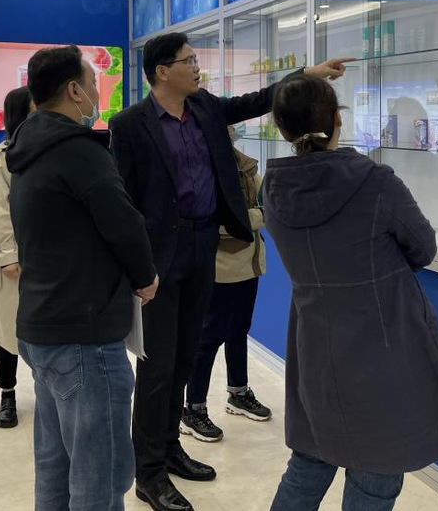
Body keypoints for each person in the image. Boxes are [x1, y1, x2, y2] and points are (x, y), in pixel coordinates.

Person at [109, 32, 347, 511]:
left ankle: (170, 448)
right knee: (157, 367)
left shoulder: (204, 107)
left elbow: (257, 100)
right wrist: (136, 267)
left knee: (185, 357)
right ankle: (148, 473)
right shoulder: (130, 124)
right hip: (160, 254)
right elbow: (123, 199)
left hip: (206, 245)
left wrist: (307, 75)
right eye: (188, 61)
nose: (197, 67)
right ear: (162, 71)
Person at [262, 75, 438, 511]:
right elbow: (423, 248)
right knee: (377, 472)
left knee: (309, 463)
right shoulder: (375, 182)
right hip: (380, 347)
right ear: (337, 120)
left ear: (283, 129)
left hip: (314, 343)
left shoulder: (272, 189)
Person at [6, 46, 159, 511]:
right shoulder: (78, 150)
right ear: (74, 90)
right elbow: (124, 222)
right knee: (101, 475)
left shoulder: (27, 147)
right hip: (84, 336)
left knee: (55, 466)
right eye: (94, 82)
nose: (97, 91)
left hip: (43, 326)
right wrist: (146, 276)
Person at [180, 125, 270, 443]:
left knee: (238, 330)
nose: (232, 131)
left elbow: (264, 203)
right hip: (219, 268)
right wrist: (258, 216)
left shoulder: (244, 165)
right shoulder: (198, 169)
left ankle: (238, 392)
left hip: (249, 263)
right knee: (208, 337)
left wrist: (257, 214)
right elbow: (217, 219)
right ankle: (193, 408)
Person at [0, 85, 34, 429]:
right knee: (7, 330)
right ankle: (7, 395)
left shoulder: (49, 150)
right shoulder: (4, 156)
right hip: (15, 258)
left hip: (45, 255)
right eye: (33, 110)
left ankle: (49, 388)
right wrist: (8, 256)